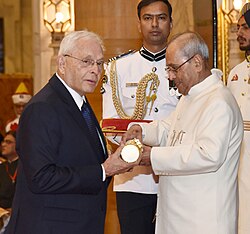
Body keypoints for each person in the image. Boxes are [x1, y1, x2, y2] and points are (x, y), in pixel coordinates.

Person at [5, 30, 139, 234]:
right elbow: (41, 177)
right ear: (62, 63)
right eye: (86, 61)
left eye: (99, 63)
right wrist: (104, 170)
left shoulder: (80, 102)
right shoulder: (42, 108)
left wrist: (116, 160)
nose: (95, 70)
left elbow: (84, 160)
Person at [122, 32, 244, 234]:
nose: (170, 76)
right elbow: (169, 128)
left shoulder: (218, 102)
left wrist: (152, 156)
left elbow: (208, 154)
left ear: (197, 62)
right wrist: (141, 130)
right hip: (181, 218)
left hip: (203, 221)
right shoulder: (192, 95)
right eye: (168, 69)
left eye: (174, 68)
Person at [102, 1, 178, 233]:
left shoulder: (186, 67)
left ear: (171, 23)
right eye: (147, 18)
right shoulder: (117, 69)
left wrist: (158, 154)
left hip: (176, 176)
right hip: (133, 180)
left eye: (161, 17)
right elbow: (111, 126)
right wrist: (138, 152)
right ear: (138, 24)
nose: (154, 24)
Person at [227, 3, 250, 234]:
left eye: (245, 27)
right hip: (239, 160)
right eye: (237, 28)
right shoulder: (236, 72)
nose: (239, 34)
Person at [0, 131, 17, 233]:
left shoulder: (25, 167)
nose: (3, 144)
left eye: (8, 142)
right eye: (3, 141)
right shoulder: (1, 167)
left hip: (17, 212)